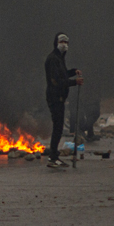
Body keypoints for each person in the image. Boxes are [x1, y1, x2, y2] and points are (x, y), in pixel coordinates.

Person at [45, 32, 83, 168]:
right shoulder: (53, 59)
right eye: (62, 42)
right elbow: (56, 81)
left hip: (59, 98)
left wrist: (73, 72)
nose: (64, 45)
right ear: (56, 43)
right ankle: (52, 158)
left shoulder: (60, 59)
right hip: (54, 97)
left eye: (66, 42)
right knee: (57, 128)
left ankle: (54, 156)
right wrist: (74, 83)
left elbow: (63, 74)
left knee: (58, 127)